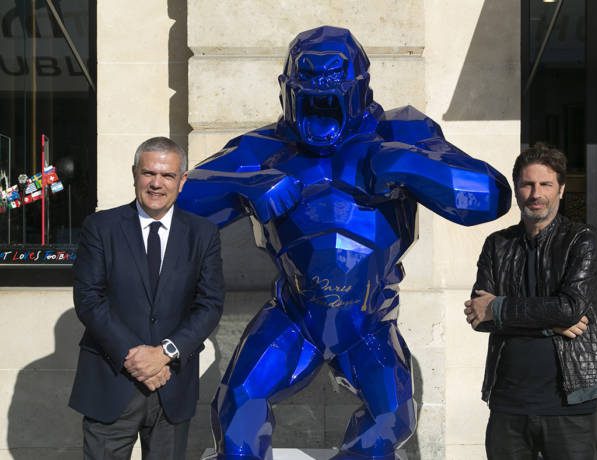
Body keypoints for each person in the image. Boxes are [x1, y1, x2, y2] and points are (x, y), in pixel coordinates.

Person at [177, 26, 511, 460]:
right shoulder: (265, 147)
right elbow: (175, 201)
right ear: (286, 91)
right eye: (307, 89)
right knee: (239, 402)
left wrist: (411, 165)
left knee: (393, 419)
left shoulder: (401, 131)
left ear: (359, 90)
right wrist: (242, 185)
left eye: (332, 89)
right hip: (295, 314)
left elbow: (492, 196)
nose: (319, 97)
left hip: (368, 318)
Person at [69, 137, 224, 459]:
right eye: (148, 173)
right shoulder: (100, 227)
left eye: (167, 176)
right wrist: (135, 356)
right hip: (111, 383)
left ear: (182, 181)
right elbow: (88, 298)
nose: (156, 183)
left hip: (173, 384)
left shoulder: (203, 234)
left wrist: (166, 352)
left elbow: (209, 304)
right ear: (134, 174)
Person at [464, 143, 597, 460]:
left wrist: (501, 306)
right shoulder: (497, 245)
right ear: (517, 190)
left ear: (560, 189)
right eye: (527, 184)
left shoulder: (582, 240)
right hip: (508, 404)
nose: (536, 193)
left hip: (569, 403)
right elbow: (479, 317)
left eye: (545, 184)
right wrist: (553, 324)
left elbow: (569, 308)